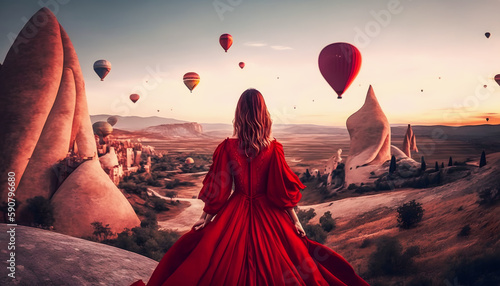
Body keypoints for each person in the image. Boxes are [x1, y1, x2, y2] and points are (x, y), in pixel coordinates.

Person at [131, 89, 369, 286]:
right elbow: (281, 190)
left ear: (239, 114)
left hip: (235, 210)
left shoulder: (228, 146)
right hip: (270, 214)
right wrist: (295, 220)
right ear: (264, 115)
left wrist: (207, 216)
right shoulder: (274, 147)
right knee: (294, 263)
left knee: (207, 259)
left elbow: (219, 187)